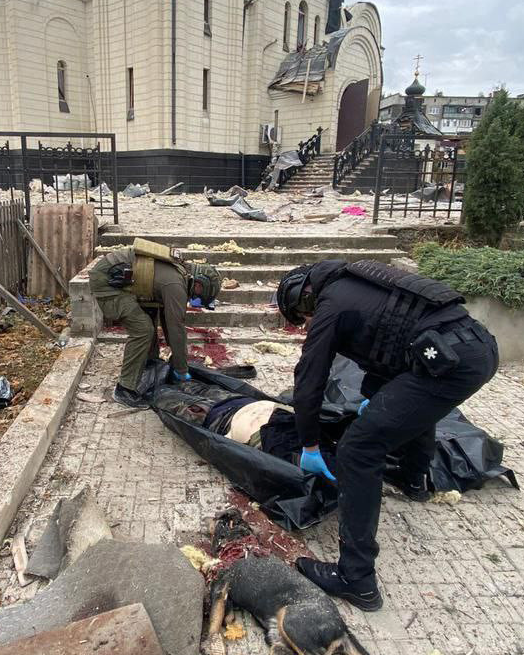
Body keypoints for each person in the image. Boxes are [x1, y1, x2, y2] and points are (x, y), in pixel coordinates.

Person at [274, 259, 498, 611]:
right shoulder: (360, 283)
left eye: (304, 316)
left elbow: (309, 379)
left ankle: (356, 578)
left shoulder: (331, 304)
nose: (308, 322)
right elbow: (389, 343)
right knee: (412, 408)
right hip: (474, 347)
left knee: (357, 451)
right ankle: (413, 480)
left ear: (305, 296)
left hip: (448, 361)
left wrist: (310, 444)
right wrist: (375, 397)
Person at [90, 238, 222, 407]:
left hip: (119, 276)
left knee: (150, 314)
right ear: (199, 284)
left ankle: (150, 364)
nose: (194, 299)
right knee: (143, 329)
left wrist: (177, 363)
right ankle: (124, 389)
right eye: (197, 296)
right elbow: (176, 329)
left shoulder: (179, 273)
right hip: (108, 282)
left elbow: (168, 322)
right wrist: (182, 371)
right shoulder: (176, 285)